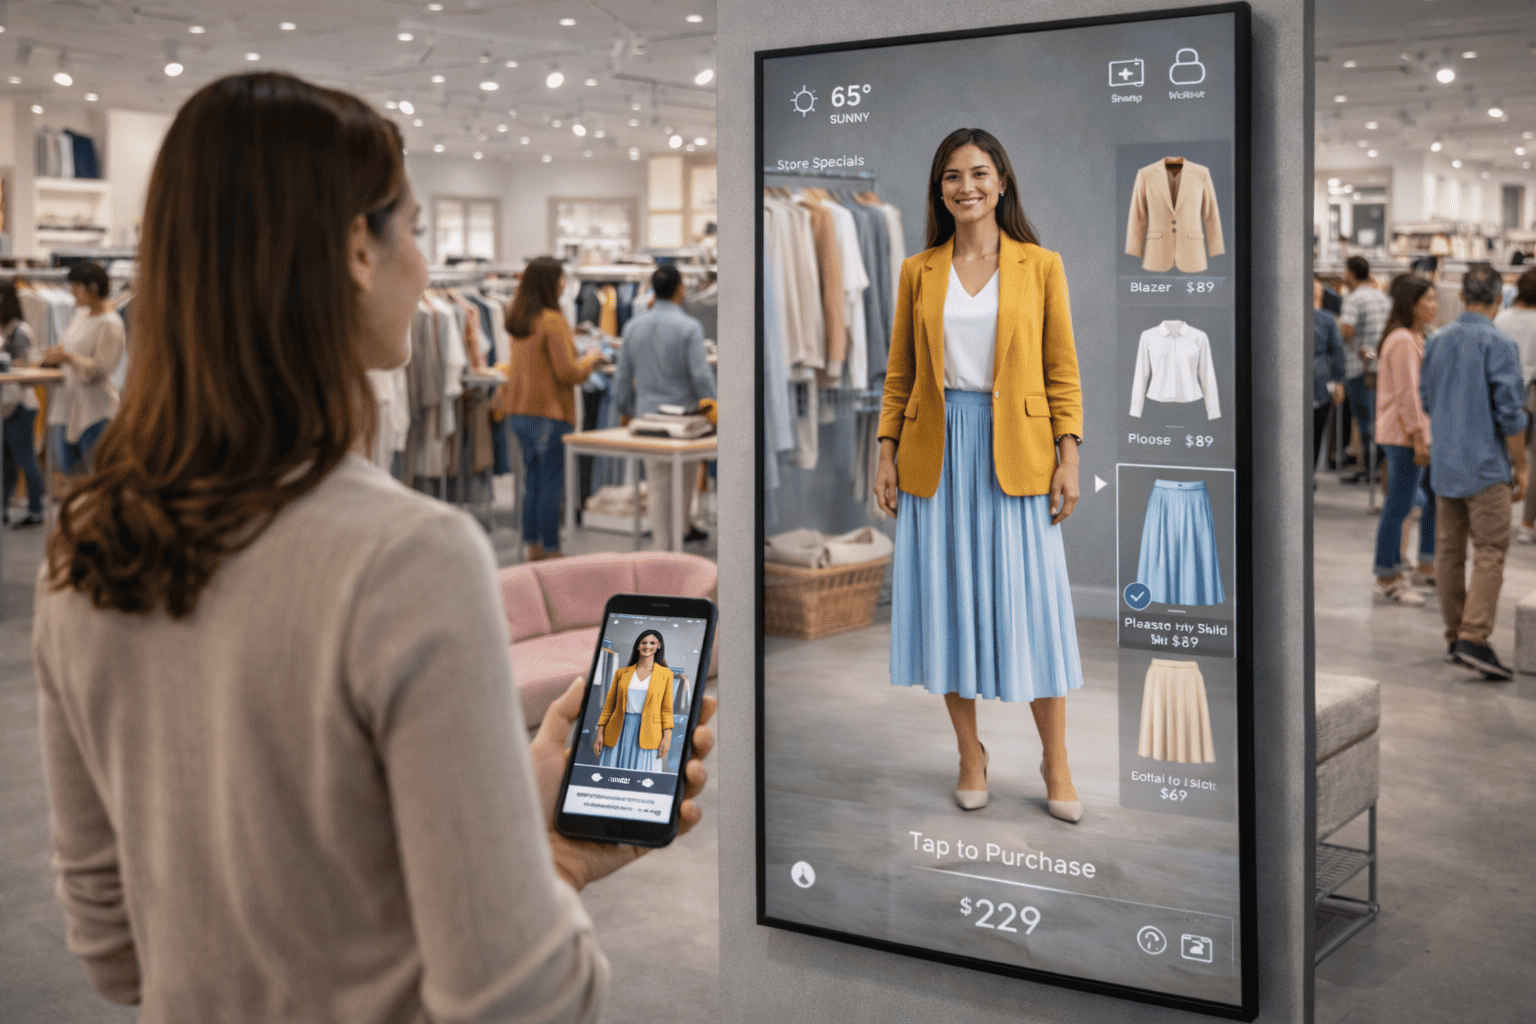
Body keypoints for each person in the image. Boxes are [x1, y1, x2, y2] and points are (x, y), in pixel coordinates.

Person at [34, 72, 713, 1022]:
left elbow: (116, 952)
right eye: (419, 226)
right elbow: (521, 995)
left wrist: (509, 800)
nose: (427, 265)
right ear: (360, 246)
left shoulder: (85, 546)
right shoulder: (407, 559)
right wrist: (553, 858)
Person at [873, 128, 1085, 822]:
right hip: (935, 454)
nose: (966, 186)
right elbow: (900, 372)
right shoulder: (917, 270)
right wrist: (884, 451)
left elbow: (1061, 370)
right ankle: (971, 754)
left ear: (1002, 182)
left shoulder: (1041, 265)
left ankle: (1056, 760)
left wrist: (1069, 454)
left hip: (1017, 453)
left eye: (979, 173)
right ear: (940, 190)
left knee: (1033, 610)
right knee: (948, 606)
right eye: (952, 177)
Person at [1420, 263, 1529, 679]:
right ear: (1499, 299)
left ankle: (1455, 636)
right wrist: (1521, 465)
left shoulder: (1437, 342)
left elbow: (1427, 399)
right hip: (1485, 466)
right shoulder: (1499, 343)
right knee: (1489, 551)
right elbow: (1510, 414)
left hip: (1446, 464)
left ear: (1463, 296)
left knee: (1449, 552)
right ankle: (1475, 637)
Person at [501, 256, 603, 561]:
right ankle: (552, 550)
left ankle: (533, 546)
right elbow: (567, 372)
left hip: (519, 410)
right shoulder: (552, 320)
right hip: (550, 412)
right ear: (549, 282)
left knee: (533, 481)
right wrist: (592, 359)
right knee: (551, 484)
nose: (563, 284)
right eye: (560, 278)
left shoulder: (519, 317)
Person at [612, 264, 716, 549]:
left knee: (657, 484)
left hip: (647, 418)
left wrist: (624, 410)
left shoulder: (633, 327)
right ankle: (679, 545)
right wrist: (714, 408)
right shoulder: (689, 328)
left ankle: (662, 548)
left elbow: (622, 377)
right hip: (686, 421)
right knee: (683, 484)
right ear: (680, 290)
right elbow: (701, 376)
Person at [1370, 275, 1438, 606]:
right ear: (1412, 304)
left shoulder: (1414, 337)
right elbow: (1407, 394)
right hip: (1403, 437)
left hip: (1408, 435)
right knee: (1397, 509)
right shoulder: (1402, 340)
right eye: (1428, 300)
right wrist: (1419, 438)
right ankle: (1387, 577)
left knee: (1410, 504)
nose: (1434, 306)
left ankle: (1400, 570)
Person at [37, 261, 124, 476]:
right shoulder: (81, 315)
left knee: (95, 474)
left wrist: (68, 357)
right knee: (70, 471)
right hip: (69, 405)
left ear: (92, 288)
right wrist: (56, 354)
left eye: (77, 289)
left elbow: (102, 369)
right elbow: (69, 346)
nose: (73, 295)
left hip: (96, 408)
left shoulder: (111, 323)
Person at [1338, 255, 1392, 483]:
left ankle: (1371, 470)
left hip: (1360, 367)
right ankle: (1378, 468)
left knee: (1365, 421)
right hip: (1383, 367)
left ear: (1350, 273)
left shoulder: (1354, 299)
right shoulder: (1383, 298)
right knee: (1380, 418)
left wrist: (1341, 335)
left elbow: (1347, 329)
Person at [593, 630, 675, 771]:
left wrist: (667, 738)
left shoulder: (666, 674)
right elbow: (609, 707)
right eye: (643, 642)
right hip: (619, 730)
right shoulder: (621, 673)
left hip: (649, 731)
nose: (647, 646)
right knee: (611, 775)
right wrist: (599, 734)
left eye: (652, 643)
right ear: (638, 646)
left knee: (643, 778)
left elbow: (666, 710)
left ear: (659, 646)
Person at [1, 283, 46, 528]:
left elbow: (25, 364)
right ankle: (4, 507)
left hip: (19, 403)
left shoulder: (20, 330)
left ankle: (36, 510)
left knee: (25, 457)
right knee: (6, 461)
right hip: (4, 404)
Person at [1496, 267, 1536, 543]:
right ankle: (1526, 523)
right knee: (1531, 459)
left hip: (1498, 392)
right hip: (1532, 394)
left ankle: (1497, 518)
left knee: (1500, 453)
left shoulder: (1500, 318)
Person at [1312, 280, 1345, 476]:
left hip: (1314, 381)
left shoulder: (1325, 319)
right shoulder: (1326, 319)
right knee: (1315, 433)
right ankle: (1309, 475)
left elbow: (1336, 351)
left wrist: (1339, 381)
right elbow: (1337, 351)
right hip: (1319, 380)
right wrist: (1339, 381)